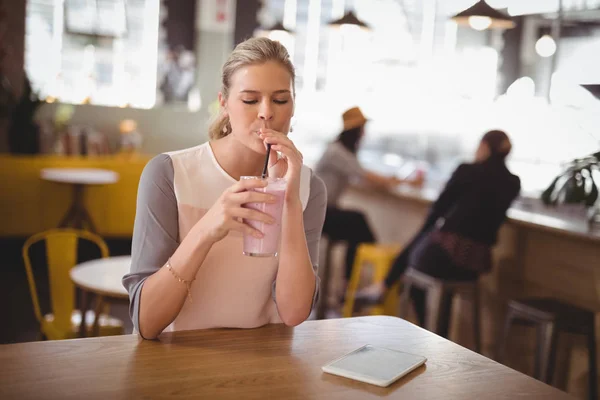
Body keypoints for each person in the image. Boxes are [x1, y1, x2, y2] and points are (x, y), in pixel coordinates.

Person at [122, 38, 327, 340]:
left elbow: (294, 313)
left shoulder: (310, 188)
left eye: (281, 100)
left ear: (292, 107)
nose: (266, 113)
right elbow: (147, 321)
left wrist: (290, 201)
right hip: (175, 363)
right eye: (250, 100)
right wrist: (207, 229)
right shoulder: (169, 174)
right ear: (224, 104)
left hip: (266, 367)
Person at [358, 130, 520, 337]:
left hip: (448, 256)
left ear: (484, 147)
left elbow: (438, 209)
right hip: (475, 265)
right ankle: (385, 289)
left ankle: (422, 328)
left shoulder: (467, 170)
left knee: (415, 263)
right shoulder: (513, 182)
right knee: (421, 249)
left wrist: (426, 231)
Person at [314, 106, 421, 288]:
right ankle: (353, 284)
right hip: (318, 213)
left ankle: (351, 283)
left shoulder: (340, 151)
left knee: (356, 228)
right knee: (358, 222)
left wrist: (394, 181)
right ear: (356, 131)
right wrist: (404, 182)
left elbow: (364, 178)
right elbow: (366, 176)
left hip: (324, 211)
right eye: (362, 130)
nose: (364, 134)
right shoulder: (337, 152)